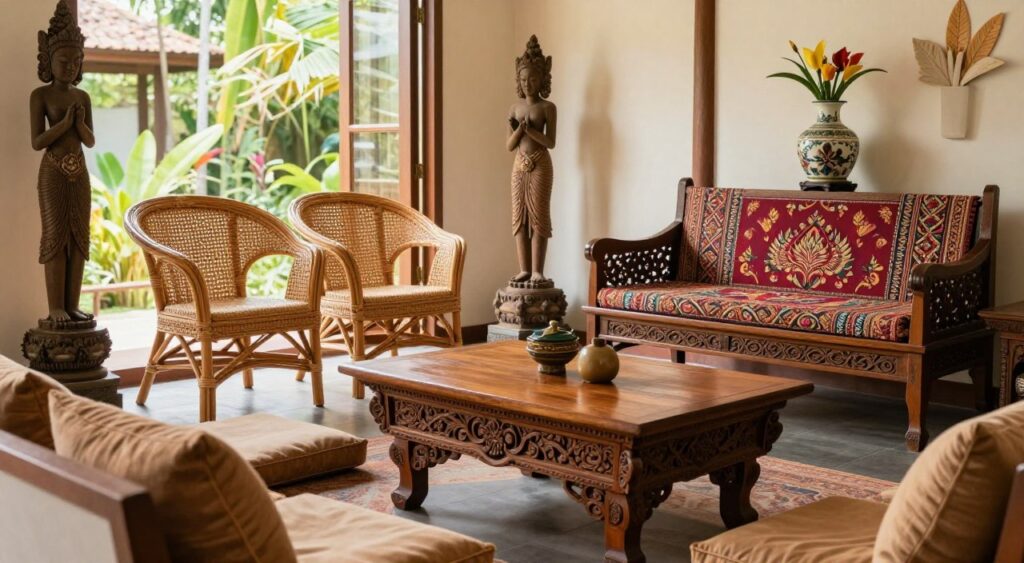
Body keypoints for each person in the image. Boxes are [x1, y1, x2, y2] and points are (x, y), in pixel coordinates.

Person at [29, 0, 94, 324]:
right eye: (64, 60)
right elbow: (37, 141)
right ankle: (56, 306)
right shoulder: (40, 95)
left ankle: (72, 305)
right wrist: (64, 124)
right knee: (56, 235)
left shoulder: (82, 97)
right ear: (49, 60)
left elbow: (90, 140)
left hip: (79, 171)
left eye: (76, 61)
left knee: (79, 237)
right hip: (53, 171)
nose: (70, 66)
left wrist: (78, 123)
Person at [507, 35, 557, 284]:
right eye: (524, 79)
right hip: (519, 166)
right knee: (519, 217)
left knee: (538, 215)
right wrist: (518, 130)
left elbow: (551, 142)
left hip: (540, 164)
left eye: (533, 79)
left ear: (542, 80)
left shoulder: (548, 108)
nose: (528, 84)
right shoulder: (515, 108)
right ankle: (524, 268)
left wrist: (530, 131)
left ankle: (538, 270)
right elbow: (509, 146)